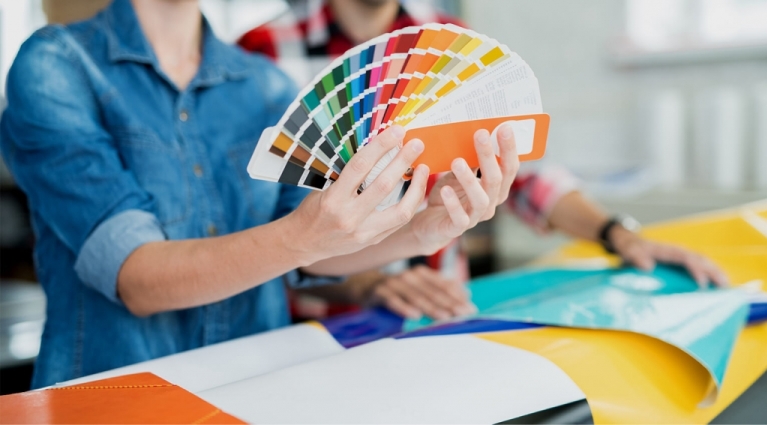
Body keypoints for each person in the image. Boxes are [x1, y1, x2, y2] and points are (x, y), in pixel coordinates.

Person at [0, 0, 520, 388]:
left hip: (257, 396)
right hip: (114, 400)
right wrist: (304, 236)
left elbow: (316, 260)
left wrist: (419, 230)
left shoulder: (265, 85)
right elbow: (137, 279)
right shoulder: (55, 67)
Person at [239, 0, 729, 320]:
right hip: (320, 333)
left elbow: (525, 172)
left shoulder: (451, 40)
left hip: (444, 318)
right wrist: (367, 282)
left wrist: (617, 233)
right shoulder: (258, 54)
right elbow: (253, 235)